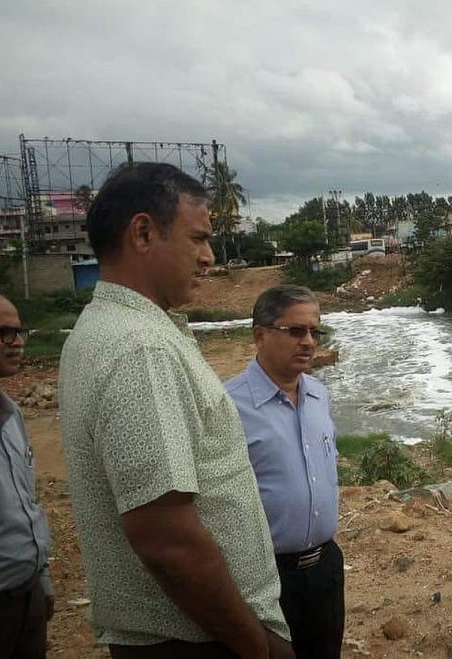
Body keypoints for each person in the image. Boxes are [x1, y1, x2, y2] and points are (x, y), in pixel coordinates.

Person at [58, 163, 293, 659]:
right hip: (197, 639)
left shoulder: (105, 328)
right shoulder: (141, 348)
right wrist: (254, 646)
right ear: (143, 232)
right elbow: (165, 538)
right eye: (199, 239)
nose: (209, 257)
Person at [226, 285, 344, 659]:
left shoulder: (318, 395)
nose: (309, 342)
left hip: (326, 567)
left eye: (314, 331)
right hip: (265, 577)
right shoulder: (227, 405)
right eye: (295, 331)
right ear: (259, 335)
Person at [0, 292, 54, 658]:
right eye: (3, 333)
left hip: (26, 596)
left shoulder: (12, 415)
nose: (17, 343)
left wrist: (41, 579)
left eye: (19, 332)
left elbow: (26, 505)